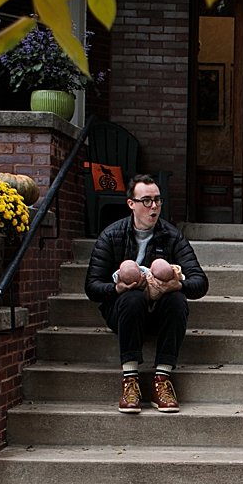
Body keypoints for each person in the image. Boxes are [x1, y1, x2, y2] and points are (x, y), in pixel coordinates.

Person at [85, 175, 208, 414]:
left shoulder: (172, 236)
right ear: (131, 203)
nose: (154, 207)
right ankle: (130, 379)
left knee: (176, 300)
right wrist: (116, 288)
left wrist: (178, 284)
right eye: (147, 201)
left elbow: (200, 283)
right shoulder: (111, 236)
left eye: (158, 200)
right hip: (124, 312)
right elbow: (92, 286)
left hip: (159, 313)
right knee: (131, 298)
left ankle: (162, 379)